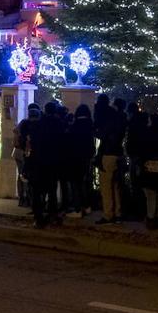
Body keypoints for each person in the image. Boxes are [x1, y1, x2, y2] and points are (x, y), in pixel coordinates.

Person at [28, 102, 64, 228]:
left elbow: (33, 142)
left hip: (39, 161)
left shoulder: (38, 124)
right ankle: (52, 215)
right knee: (52, 190)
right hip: (53, 162)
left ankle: (38, 218)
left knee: (37, 191)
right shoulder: (59, 124)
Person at [136, 113, 158, 229]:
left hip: (148, 166)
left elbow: (141, 150)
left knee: (150, 194)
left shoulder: (146, 133)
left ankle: (151, 218)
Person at [94, 96, 125, 224]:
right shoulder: (120, 118)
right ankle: (118, 213)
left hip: (107, 154)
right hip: (118, 153)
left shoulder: (106, 119)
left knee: (106, 187)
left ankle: (108, 214)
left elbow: (102, 135)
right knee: (116, 186)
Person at [63, 104, 95, 217]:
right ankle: (87, 206)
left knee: (75, 183)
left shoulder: (74, 126)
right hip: (86, 157)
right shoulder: (90, 125)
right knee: (85, 182)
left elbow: (68, 140)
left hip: (75, 158)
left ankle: (77, 209)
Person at [14, 103, 41, 207]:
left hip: (18, 152)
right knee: (29, 176)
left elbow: (16, 132)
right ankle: (29, 199)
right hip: (26, 153)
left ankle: (22, 199)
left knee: (21, 175)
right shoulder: (34, 124)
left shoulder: (23, 122)